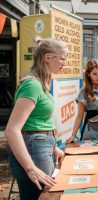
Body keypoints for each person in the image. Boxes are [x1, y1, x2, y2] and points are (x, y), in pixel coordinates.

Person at [5, 37, 66, 200]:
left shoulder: (40, 84)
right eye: (61, 58)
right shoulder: (32, 85)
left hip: (40, 148)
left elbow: (37, 122)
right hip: (34, 151)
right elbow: (12, 130)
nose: (63, 63)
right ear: (48, 57)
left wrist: (53, 147)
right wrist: (31, 168)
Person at [66, 60, 98, 142]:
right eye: (95, 74)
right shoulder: (84, 92)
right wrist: (73, 135)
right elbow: (80, 115)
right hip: (92, 132)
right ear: (88, 74)